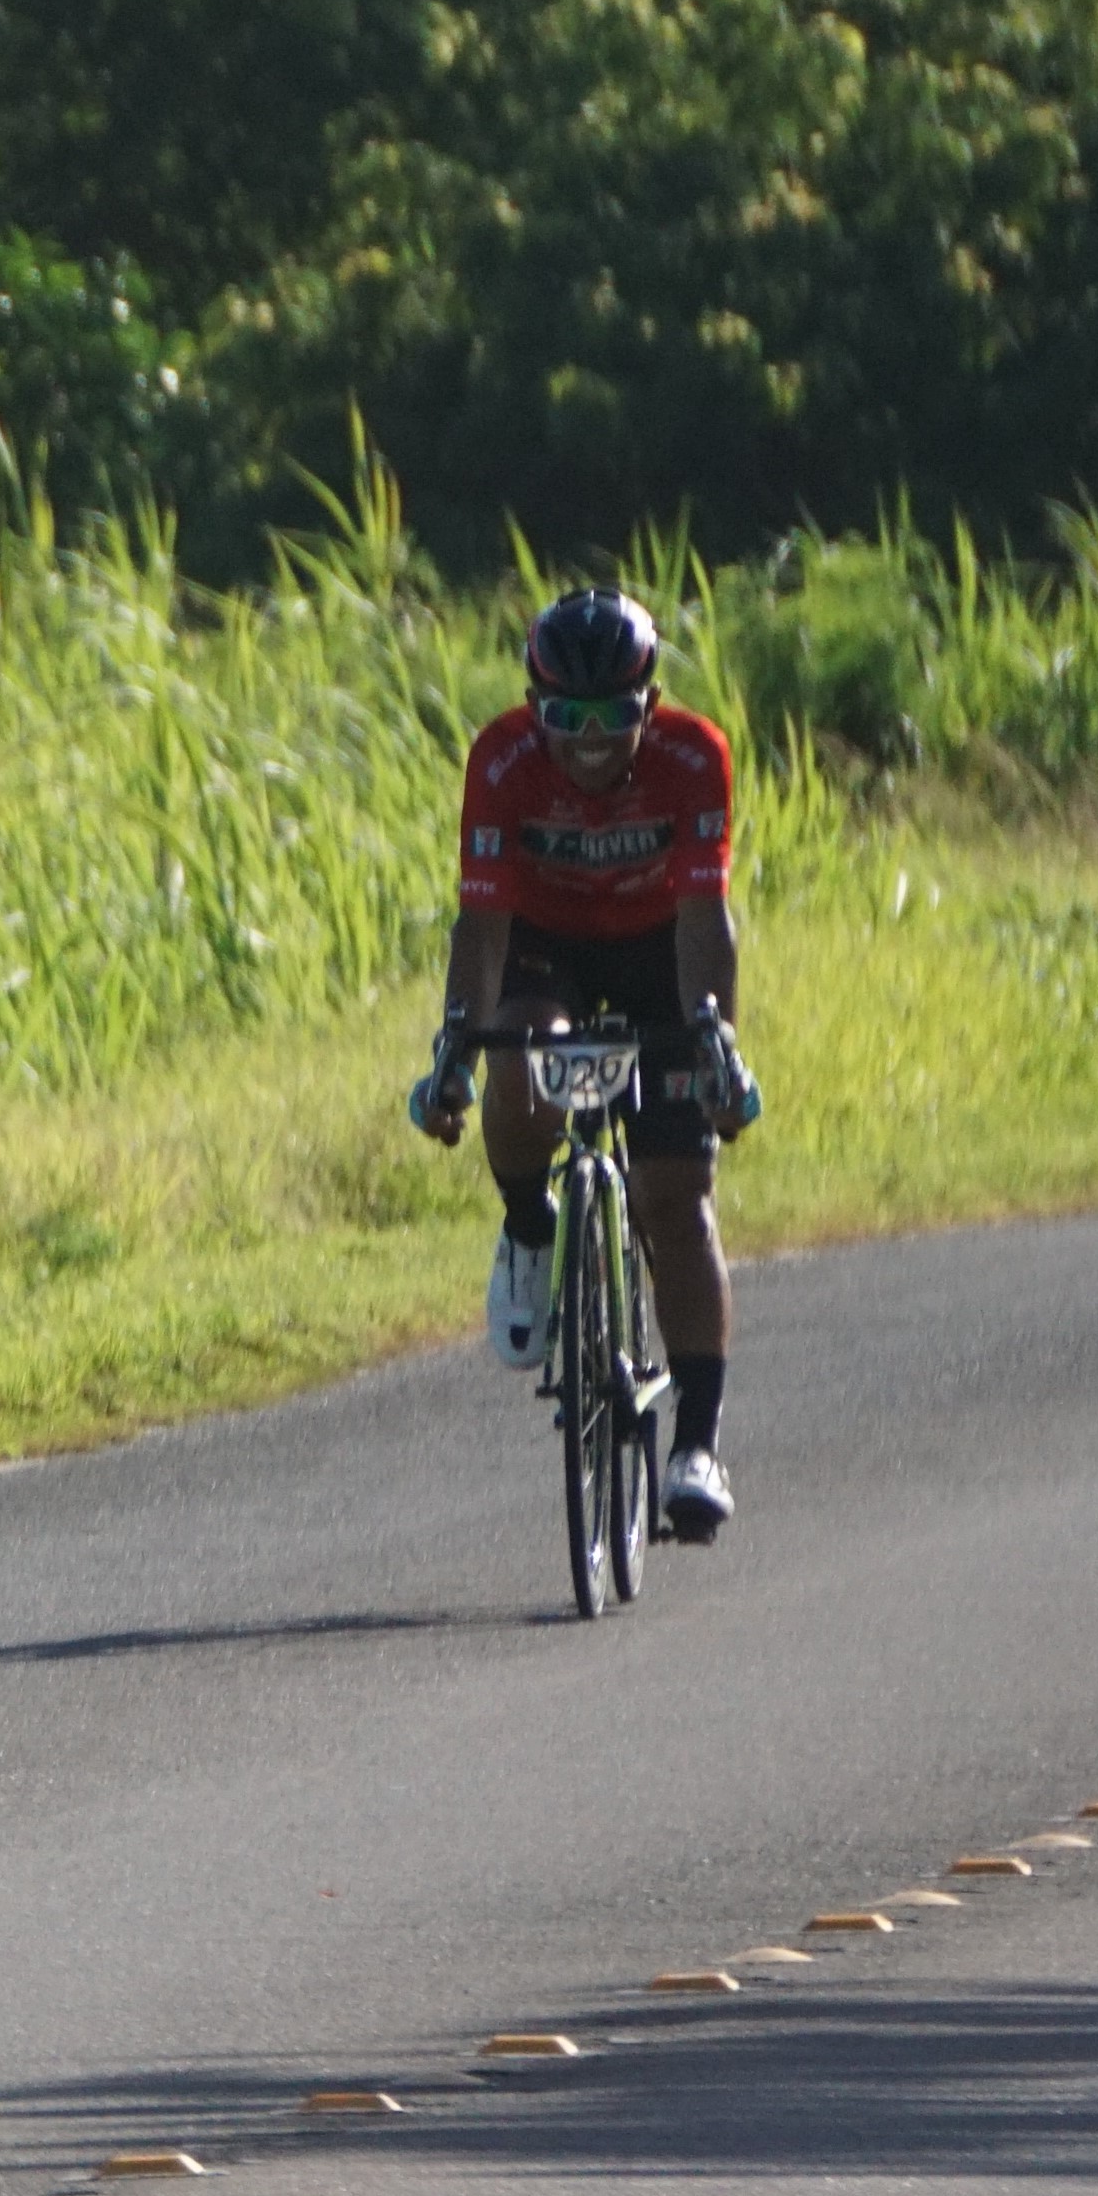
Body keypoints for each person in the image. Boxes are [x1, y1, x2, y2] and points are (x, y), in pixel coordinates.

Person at [407, 586, 760, 1540]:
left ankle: (698, 1443)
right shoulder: (503, 760)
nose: (589, 741)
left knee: (675, 1203)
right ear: (534, 707)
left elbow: (703, 920)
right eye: (565, 717)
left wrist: (712, 1040)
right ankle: (531, 1224)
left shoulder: (695, 758)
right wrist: (455, 1056)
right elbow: (481, 924)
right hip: (545, 945)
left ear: (652, 704)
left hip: (659, 951)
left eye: (613, 717)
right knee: (525, 1066)